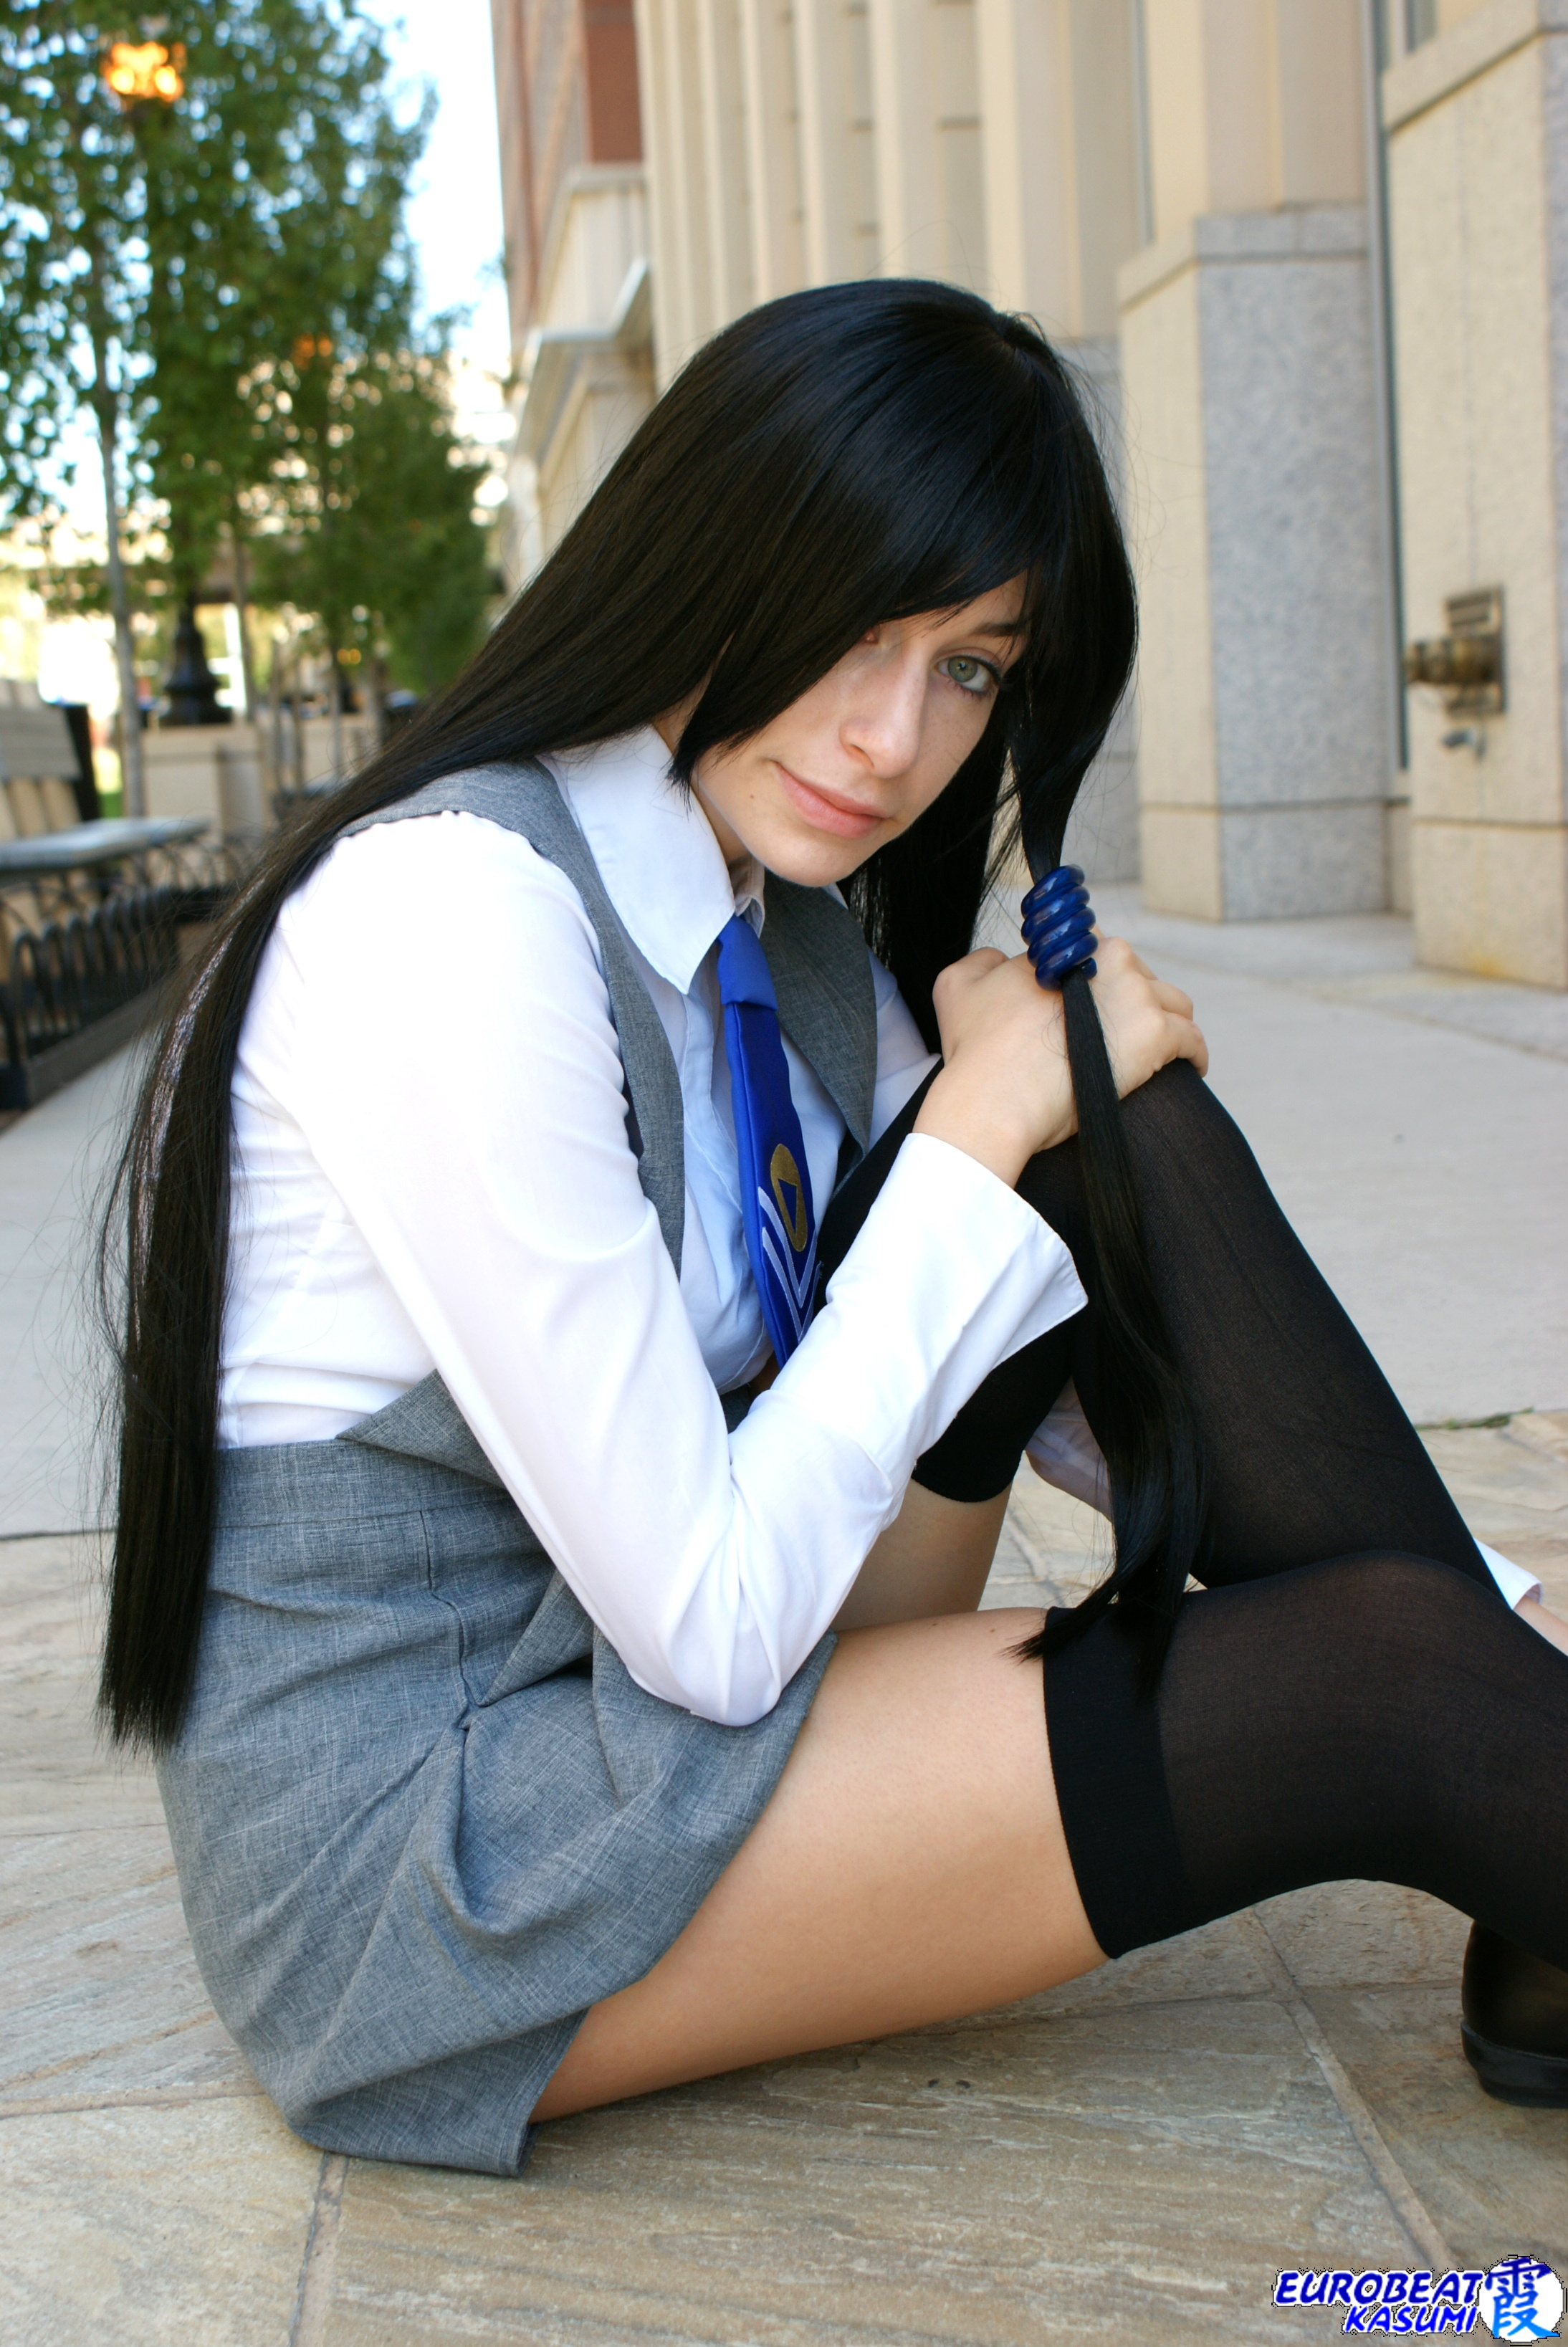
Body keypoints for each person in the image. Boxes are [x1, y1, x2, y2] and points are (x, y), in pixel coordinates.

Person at [100, 280, 1568, 2179]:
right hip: (442, 1851)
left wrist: (1513, 1630)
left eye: (968, 670)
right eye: (857, 629)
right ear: (708, 548)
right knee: (1379, 1688)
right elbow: (715, 1628)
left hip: (657, 1678)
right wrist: (974, 1123)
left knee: (1109, 1124)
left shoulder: (773, 914)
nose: (891, 740)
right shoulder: (452, 916)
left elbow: (1074, 1358)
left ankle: (1531, 1806)